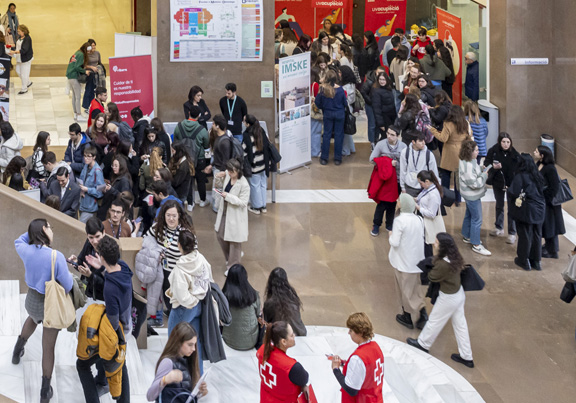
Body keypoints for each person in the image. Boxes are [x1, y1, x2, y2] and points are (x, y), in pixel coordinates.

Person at [12, 219, 74, 403]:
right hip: (50, 306)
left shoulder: (25, 249)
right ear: (44, 231)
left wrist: (32, 231)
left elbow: (18, 240)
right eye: (49, 227)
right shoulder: (56, 256)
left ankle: (17, 351)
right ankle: (45, 391)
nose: (52, 231)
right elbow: (68, 285)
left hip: (31, 300)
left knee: (31, 319)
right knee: (48, 348)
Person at [76, 236, 132, 403]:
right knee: (121, 364)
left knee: (82, 364)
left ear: (101, 256)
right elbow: (111, 271)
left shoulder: (110, 288)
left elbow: (113, 322)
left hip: (115, 333)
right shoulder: (124, 267)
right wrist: (100, 268)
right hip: (126, 325)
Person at [407, 233, 474, 368]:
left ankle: (423, 344)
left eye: (436, 242)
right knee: (460, 325)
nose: (434, 244)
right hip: (458, 294)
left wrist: (432, 262)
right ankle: (467, 356)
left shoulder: (442, 264)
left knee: (434, 321)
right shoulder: (454, 257)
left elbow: (432, 277)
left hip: (448, 297)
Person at [166, 230, 212, 372]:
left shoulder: (180, 269)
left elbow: (182, 297)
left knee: (174, 346)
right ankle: (197, 380)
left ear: (179, 245)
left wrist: (192, 301)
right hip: (199, 306)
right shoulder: (202, 259)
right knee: (194, 345)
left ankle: (177, 381)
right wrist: (198, 298)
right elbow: (208, 279)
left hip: (183, 309)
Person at [146, 200, 194, 323]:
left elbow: (193, 254)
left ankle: (178, 321)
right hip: (161, 270)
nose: (171, 219)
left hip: (178, 274)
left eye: (174, 216)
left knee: (175, 300)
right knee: (158, 295)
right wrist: (155, 252)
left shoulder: (185, 232)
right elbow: (146, 239)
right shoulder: (158, 227)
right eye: (168, 215)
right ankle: (158, 317)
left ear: (179, 216)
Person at [389, 194, 428, 329]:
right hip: (416, 261)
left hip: (402, 261)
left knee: (404, 290)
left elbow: (394, 242)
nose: (397, 201)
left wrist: (390, 236)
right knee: (415, 289)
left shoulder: (400, 221)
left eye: (399, 200)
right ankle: (417, 312)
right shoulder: (418, 219)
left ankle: (412, 316)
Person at [146, 322, 208, 402]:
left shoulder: (189, 361)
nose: (193, 349)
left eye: (194, 345)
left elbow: (185, 396)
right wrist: (165, 380)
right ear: (178, 343)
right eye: (190, 345)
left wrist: (200, 392)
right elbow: (150, 396)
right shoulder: (167, 362)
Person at [331, 313, 384, 402]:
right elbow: (368, 370)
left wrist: (335, 369)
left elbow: (351, 389)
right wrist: (346, 364)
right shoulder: (376, 347)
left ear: (359, 333)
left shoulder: (358, 358)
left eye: (351, 330)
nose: (349, 333)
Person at [507, 154, 546, 271]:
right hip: (540, 209)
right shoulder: (537, 175)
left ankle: (524, 260)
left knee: (525, 234)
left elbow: (513, 192)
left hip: (527, 210)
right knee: (537, 235)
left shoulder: (521, 176)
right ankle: (536, 261)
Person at [256, 321, 309, 402]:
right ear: (283, 341)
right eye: (291, 335)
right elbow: (304, 379)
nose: (294, 336)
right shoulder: (292, 367)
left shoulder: (263, 349)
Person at [429, 105, 472, 204]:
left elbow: (443, 138)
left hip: (449, 151)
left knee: (446, 175)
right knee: (458, 178)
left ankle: (446, 198)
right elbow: (469, 136)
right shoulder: (465, 123)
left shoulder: (448, 124)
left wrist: (433, 130)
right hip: (461, 152)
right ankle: (458, 200)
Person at [214, 158, 250, 274]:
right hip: (224, 211)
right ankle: (231, 258)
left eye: (232, 172)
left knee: (234, 241)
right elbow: (219, 186)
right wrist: (218, 177)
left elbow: (243, 202)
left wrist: (228, 196)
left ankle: (232, 266)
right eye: (229, 171)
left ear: (238, 171)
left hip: (235, 215)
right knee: (220, 235)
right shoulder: (228, 176)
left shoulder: (244, 184)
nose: (229, 173)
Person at [368, 126, 405, 235]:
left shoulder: (403, 147)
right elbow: (372, 159)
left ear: (398, 136)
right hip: (385, 179)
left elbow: (406, 163)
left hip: (397, 179)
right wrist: (388, 163)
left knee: (392, 203)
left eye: (392, 135)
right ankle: (376, 225)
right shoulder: (381, 144)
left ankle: (389, 224)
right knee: (382, 203)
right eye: (388, 133)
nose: (389, 136)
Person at [484, 132, 520, 244]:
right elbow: (486, 164)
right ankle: (498, 227)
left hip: (511, 184)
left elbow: (519, 167)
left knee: (511, 208)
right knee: (499, 205)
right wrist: (493, 167)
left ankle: (512, 232)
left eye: (508, 142)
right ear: (500, 142)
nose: (505, 144)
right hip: (497, 183)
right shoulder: (493, 151)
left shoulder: (514, 154)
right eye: (503, 142)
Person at [458, 140, 491, 256]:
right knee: (477, 219)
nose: (478, 152)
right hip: (472, 196)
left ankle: (467, 235)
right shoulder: (467, 165)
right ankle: (476, 244)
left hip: (468, 195)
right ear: (470, 152)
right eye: (476, 150)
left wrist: (482, 169)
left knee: (469, 215)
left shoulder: (468, 161)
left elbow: (473, 172)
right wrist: (484, 175)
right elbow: (475, 184)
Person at [174, 105, 209, 209]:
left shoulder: (179, 126)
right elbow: (206, 145)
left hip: (183, 159)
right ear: (199, 116)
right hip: (199, 158)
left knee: (187, 180)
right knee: (200, 180)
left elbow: (175, 142)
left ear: (188, 113)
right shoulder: (202, 129)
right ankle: (202, 200)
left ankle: (190, 203)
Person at [535, 145, 566, 259]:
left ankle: (552, 250)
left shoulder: (550, 168)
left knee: (551, 226)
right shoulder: (538, 164)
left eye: (537, 151)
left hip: (550, 203)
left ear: (542, 155)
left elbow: (554, 187)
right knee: (547, 225)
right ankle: (548, 246)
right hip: (543, 201)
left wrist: (545, 197)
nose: (534, 152)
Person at [222, 264, 261, 350]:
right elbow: (258, 314)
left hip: (229, 339)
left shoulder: (224, 295)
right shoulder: (253, 294)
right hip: (251, 340)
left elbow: (221, 316)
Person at [315, 69, 347, 166]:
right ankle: (338, 158)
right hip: (339, 114)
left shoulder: (323, 89)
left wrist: (324, 107)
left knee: (326, 135)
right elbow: (345, 103)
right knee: (339, 135)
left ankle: (324, 158)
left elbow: (317, 103)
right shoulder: (341, 90)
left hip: (328, 114)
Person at [263, 267, 306, 336]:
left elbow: (267, 322)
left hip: (282, 336)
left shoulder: (269, 303)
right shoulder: (293, 297)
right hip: (299, 332)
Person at [243, 114, 269, 214]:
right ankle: (263, 206)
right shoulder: (261, 130)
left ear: (248, 124)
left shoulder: (246, 135)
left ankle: (256, 207)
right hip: (264, 164)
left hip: (254, 165)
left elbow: (244, 151)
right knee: (263, 184)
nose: (243, 123)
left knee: (254, 186)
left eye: (244, 121)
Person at [399, 131, 439, 196]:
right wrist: (403, 187)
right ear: (413, 142)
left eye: (424, 140)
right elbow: (403, 171)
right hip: (409, 187)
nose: (423, 143)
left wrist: (436, 188)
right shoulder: (405, 152)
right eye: (420, 141)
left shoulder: (429, 154)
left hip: (424, 188)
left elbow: (434, 173)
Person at [416, 170, 445, 257]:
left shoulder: (433, 195)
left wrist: (417, 207)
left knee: (427, 244)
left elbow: (432, 214)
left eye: (421, 183)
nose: (420, 185)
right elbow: (420, 199)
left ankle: (428, 264)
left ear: (427, 182)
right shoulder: (427, 189)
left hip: (428, 223)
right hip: (424, 221)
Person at [97, 156, 132, 220]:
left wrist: (111, 190)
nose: (113, 168)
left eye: (116, 166)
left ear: (121, 166)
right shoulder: (117, 176)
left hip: (113, 212)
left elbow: (125, 197)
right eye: (113, 165)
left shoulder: (124, 180)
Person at [360, 66, 387, 147]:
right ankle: (372, 142)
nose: (379, 75)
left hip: (379, 105)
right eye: (378, 73)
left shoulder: (384, 81)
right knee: (372, 124)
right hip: (370, 105)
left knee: (378, 123)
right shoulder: (370, 81)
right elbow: (363, 92)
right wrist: (370, 101)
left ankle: (376, 139)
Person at [78, 145, 105, 223]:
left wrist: (87, 189)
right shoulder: (86, 166)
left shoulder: (97, 171)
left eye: (89, 156)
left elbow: (100, 191)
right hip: (82, 202)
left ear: (94, 157)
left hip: (90, 206)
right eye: (85, 156)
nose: (86, 158)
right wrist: (81, 189)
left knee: (81, 226)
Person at [66, 42, 90, 122]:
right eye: (88, 51)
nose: (89, 53)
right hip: (74, 76)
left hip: (70, 75)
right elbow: (77, 67)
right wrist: (84, 71)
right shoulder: (81, 54)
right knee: (78, 96)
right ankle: (79, 115)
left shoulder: (76, 53)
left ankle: (76, 114)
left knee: (74, 96)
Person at [371, 72, 397, 143]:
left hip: (391, 116)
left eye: (383, 79)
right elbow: (376, 108)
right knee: (385, 136)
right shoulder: (376, 91)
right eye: (380, 79)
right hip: (384, 117)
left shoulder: (389, 88)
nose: (382, 81)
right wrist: (381, 123)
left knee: (390, 136)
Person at [168, 141, 195, 209]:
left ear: (178, 151)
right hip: (181, 191)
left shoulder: (184, 166)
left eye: (173, 151)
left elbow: (176, 182)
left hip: (180, 192)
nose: (172, 152)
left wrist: (167, 175)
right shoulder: (183, 159)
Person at [9, 24, 32, 94]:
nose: (18, 33)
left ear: (23, 31)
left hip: (25, 59)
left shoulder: (27, 39)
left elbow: (24, 50)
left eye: (19, 31)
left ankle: (24, 88)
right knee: (18, 71)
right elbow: (17, 45)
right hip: (19, 58)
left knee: (24, 74)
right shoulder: (20, 37)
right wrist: (10, 46)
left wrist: (14, 52)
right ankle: (28, 82)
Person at [82, 39, 104, 111]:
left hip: (97, 74)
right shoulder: (86, 54)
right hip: (90, 74)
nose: (94, 47)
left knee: (96, 90)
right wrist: (91, 67)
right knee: (89, 90)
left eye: (95, 46)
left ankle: (94, 105)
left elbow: (99, 63)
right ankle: (86, 106)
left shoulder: (97, 53)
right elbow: (84, 65)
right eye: (92, 46)